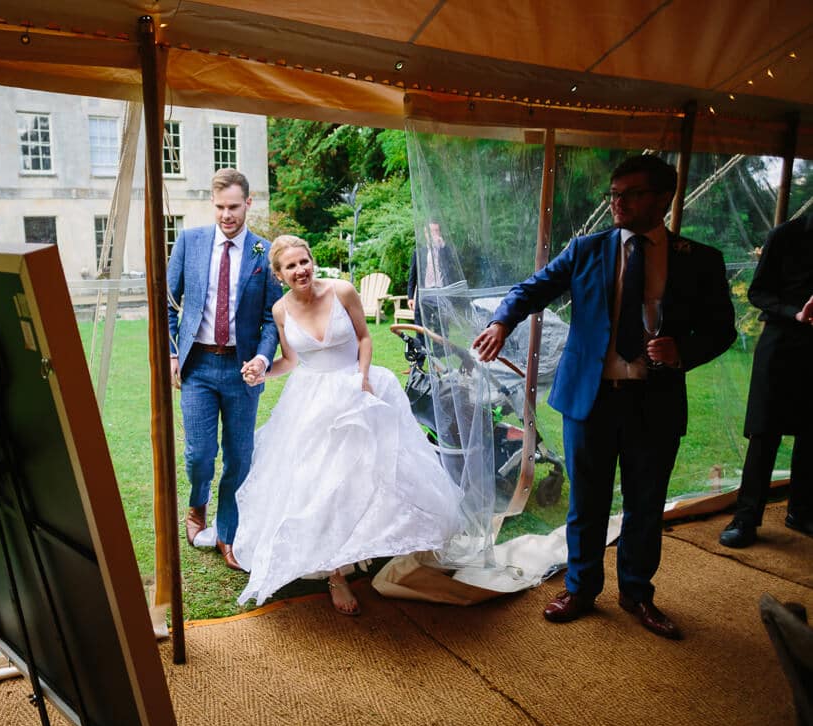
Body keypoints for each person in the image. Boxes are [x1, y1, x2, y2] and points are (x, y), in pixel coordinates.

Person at [471, 154, 736, 640]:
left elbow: (722, 330)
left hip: (654, 401)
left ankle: (637, 592)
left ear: (662, 198)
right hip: (589, 400)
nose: (617, 203)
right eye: (613, 194)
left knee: (645, 503)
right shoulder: (587, 249)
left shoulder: (698, 261)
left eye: (630, 194)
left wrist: (683, 350)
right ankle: (581, 587)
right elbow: (533, 288)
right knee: (586, 503)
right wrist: (501, 321)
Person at [234, 236, 463, 616]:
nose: (300, 270)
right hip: (311, 400)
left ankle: (386, 544)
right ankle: (336, 573)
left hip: (359, 387)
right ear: (279, 275)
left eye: (304, 261)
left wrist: (363, 378)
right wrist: (263, 372)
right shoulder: (280, 310)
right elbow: (291, 360)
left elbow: (363, 337)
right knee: (321, 482)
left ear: (312, 261)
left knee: (379, 472)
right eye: (290, 266)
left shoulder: (342, 290)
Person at [166, 168, 284, 570]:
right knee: (200, 453)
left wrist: (264, 359)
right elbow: (167, 301)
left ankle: (229, 534)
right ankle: (197, 505)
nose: (226, 215)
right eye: (219, 207)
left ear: (248, 204)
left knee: (240, 456)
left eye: (234, 207)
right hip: (197, 366)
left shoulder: (262, 253)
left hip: (243, 372)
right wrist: (171, 354)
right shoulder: (189, 242)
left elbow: (272, 317)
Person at [719, 213, 813, 548]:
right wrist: (796, 312)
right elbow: (757, 292)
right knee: (764, 432)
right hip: (782, 345)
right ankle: (746, 518)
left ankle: (801, 511)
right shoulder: (785, 236)